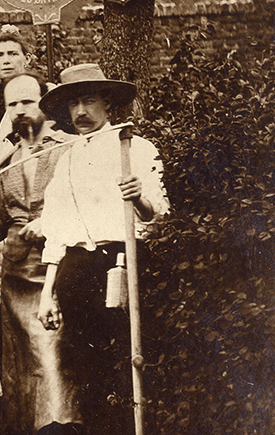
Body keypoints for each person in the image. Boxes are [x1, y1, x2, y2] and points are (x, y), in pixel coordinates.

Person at [37, 64, 168, 434]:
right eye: (74, 103)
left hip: (123, 262)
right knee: (86, 367)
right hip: (77, 269)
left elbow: (158, 215)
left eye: (89, 100)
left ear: (107, 103)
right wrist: (48, 293)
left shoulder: (135, 148)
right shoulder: (67, 158)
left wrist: (138, 197)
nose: (81, 111)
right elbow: (57, 231)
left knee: (129, 359)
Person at [0, 72, 79, 435]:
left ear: (45, 102)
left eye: (27, 101)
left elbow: (83, 202)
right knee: (21, 361)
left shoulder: (68, 147)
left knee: (53, 354)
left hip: (57, 264)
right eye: (13, 105)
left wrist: (48, 221)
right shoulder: (5, 157)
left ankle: (61, 426)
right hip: (15, 272)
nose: (20, 110)